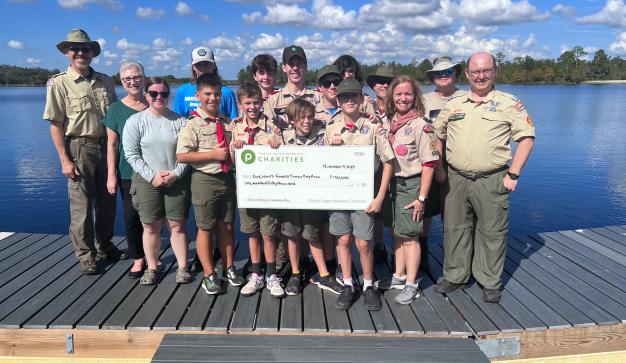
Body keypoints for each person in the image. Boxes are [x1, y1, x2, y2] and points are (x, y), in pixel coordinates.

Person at [433, 52, 535, 303]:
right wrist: (440, 168)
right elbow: (438, 135)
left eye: (486, 71)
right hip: (456, 178)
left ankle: (489, 280)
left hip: (493, 178)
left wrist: (514, 173)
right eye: (475, 71)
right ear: (467, 73)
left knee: (493, 232)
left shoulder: (509, 103)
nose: (481, 76)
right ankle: (456, 276)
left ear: (494, 71)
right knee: (455, 229)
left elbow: (526, 138)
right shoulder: (454, 104)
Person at [43, 29, 126, 275]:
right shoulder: (59, 83)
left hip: (108, 147)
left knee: (107, 203)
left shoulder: (105, 80)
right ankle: (86, 254)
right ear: (67, 53)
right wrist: (64, 160)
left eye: (86, 49)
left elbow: (114, 116)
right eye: (75, 49)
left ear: (92, 53)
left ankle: (105, 244)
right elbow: (56, 125)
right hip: (79, 148)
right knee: (81, 206)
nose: (81, 53)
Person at [325, 79, 395, 311]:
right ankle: (347, 283)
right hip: (338, 194)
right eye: (344, 97)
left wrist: (380, 197)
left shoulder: (374, 127)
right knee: (342, 239)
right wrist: (330, 148)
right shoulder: (331, 128)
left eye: (354, 96)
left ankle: (368, 284)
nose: (349, 100)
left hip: (364, 194)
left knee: (364, 242)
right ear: (338, 101)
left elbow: (388, 163)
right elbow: (321, 164)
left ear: (362, 98)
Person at [176, 74, 245, 295]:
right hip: (204, 180)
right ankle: (209, 274)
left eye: (216, 94)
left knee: (226, 226)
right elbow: (182, 156)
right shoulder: (192, 123)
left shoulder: (227, 122)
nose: (213, 98)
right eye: (208, 94)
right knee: (205, 228)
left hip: (227, 179)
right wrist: (213, 154)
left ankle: (229, 266)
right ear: (198, 96)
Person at [123, 77, 191, 286]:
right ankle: (152, 267)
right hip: (146, 180)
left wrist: (176, 174)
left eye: (163, 93)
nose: (158, 97)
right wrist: (152, 176)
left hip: (176, 179)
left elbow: (187, 152)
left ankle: (182, 267)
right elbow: (131, 154)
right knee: (150, 226)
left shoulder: (181, 121)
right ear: (146, 95)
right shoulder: (135, 121)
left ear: (168, 95)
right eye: (153, 93)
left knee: (176, 225)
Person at [279, 99, 343, 296]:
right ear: (292, 120)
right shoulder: (282, 136)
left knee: (312, 235)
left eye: (309, 117)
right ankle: (296, 273)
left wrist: (336, 143)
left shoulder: (322, 135)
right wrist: (271, 144)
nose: (306, 121)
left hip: (313, 197)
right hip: (290, 196)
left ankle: (324, 273)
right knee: (292, 235)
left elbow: (334, 153)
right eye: (301, 118)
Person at [384, 76, 438, 304]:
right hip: (393, 185)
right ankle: (399, 274)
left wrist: (422, 197)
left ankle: (412, 283)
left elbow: (429, 164)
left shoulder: (421, 125)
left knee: (410, 237)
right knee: (397, 232)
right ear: (392, 97)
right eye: (398, 94)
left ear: (415, 96)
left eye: (408, 94)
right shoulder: (390, 121)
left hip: (412, 184)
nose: (403, 98)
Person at [231, 82, 285, 298]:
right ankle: (256, 274)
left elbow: (282, 160)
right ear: (240, 104)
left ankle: (271, 274)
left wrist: (276, 145)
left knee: (269, 233)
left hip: (268, 189)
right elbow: (234, 163)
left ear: (262, 103)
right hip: (246, 189)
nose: (252, 107)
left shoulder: (273, 128)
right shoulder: (235, 128)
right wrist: (235, 150)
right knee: (252, 233)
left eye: (256, 102)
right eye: (247, 103)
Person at [419, 56, 466, 272]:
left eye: (448, 72)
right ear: (433, 77)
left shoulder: (466, 97)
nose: (443, 76)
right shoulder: (423, 99)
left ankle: (456, 251)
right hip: (430, 160)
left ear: (455, 74)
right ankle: (423, 246)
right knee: (427, 208)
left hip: (459, 160)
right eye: (439, 73)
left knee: (456, 209)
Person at [102, 60, 148, 278]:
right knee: (131, 218)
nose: (133, 82)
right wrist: (111, 176)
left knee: (155, 219)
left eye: (136, 77)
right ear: (121, 82)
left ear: (144, 78)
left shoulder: (155, 103)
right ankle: (138, 258)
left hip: (155, 172)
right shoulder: (116, 109)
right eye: (127, 79)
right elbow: (111, 145)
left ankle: (153, 256)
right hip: (128, 173)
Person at [366, 65, 396, 264]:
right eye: (379, 81)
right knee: (376, 214)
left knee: (395, 214)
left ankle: (397, 252)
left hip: (398, 169)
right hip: (373, 169)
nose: (384, 85)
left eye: (388, 81)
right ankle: (379, 247)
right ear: (373, 86)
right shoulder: (365, 108)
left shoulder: (402, 107)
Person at [263, 45, 322, 131]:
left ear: (305, 66)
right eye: (291, 64)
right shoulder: (272, 101)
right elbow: (266, 131)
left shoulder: (319, 98)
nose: (295, 68)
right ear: (284, 67)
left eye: (299, 64)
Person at [173, 46, 238, 119]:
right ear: (193, 67)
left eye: (207, 64)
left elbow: (234, 122)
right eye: (198, 65)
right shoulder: (183, 91)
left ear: (214, 65)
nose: (203, 69)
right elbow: (177, 121)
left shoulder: (227, 92)